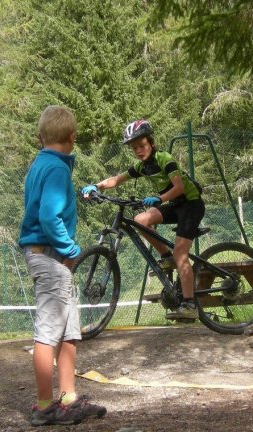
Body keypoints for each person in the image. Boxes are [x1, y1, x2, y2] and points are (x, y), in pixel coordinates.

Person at [19, 105, 106, 426]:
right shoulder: (55, 168)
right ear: (73, 137)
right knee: (48, 333)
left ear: (42, 136)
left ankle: (68, 398)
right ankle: (45, 407)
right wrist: (70, 248)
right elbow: (48, 216)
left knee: (68, 330)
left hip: (51, 257)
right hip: (49, 256)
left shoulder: (41, 164)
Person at [82, 119, 205, 321]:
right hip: (175, 205)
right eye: (134, 148)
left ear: (151, 143)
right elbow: (116, 179)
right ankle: (167, 257)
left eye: (142, 145)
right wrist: (96, 186)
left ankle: (190, 304)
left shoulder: (164, 158)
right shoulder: (142, 166)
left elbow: (180, 187)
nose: (138, 151)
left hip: (191, 205)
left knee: (181, 253)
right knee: (140, 219)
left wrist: (159, 198)